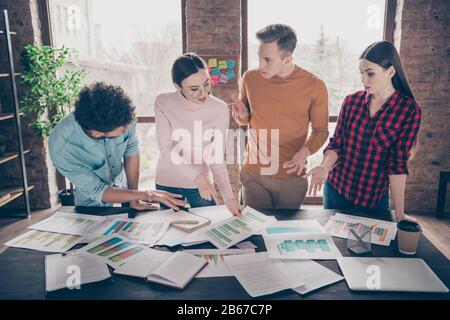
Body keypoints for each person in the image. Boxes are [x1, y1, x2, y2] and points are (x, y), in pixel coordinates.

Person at [304, 41, 421, 222]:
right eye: (361, 73)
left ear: (390, 72)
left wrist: (399, 214)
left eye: (370, 73)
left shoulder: (409, 110)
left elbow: (397, 164)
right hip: (336, 191)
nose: (364, 80)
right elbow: (338, 143)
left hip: (373, 200)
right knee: (336, 246)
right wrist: (324, 167)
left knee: (371, 250)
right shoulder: (351, 102)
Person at [230, 24, 329, 209]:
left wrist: (305, 152)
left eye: (267, 60)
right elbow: (245, 119)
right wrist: (242, 115)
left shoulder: (315, 86)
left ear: (287, 58)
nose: (261, 66)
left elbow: (321, 131)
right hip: (254, 175)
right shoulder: (249, 79)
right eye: (259, 58)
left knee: (284, 235)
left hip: (291, 177)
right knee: (256, 233)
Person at [49, 82, 185, 210]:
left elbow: (131, 151)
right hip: (92, 201)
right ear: (97, 133)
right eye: (122, 130)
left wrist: (134, 197)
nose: (129, 127)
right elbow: (97, 190)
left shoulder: (123, 117)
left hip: (123, 184)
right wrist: (147, 195)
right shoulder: (62, 148)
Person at [154, 53, 241, 216]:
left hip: (201, 186)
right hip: (167, 182)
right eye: (194, 89)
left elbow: (216, 159)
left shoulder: (219, 109)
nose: (203, 93)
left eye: (206, 84)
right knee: (172, 235)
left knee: (209, 230)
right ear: (177, 86)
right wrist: (198, 178)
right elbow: (166, 150)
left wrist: (229, 198)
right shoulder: (163, 101)